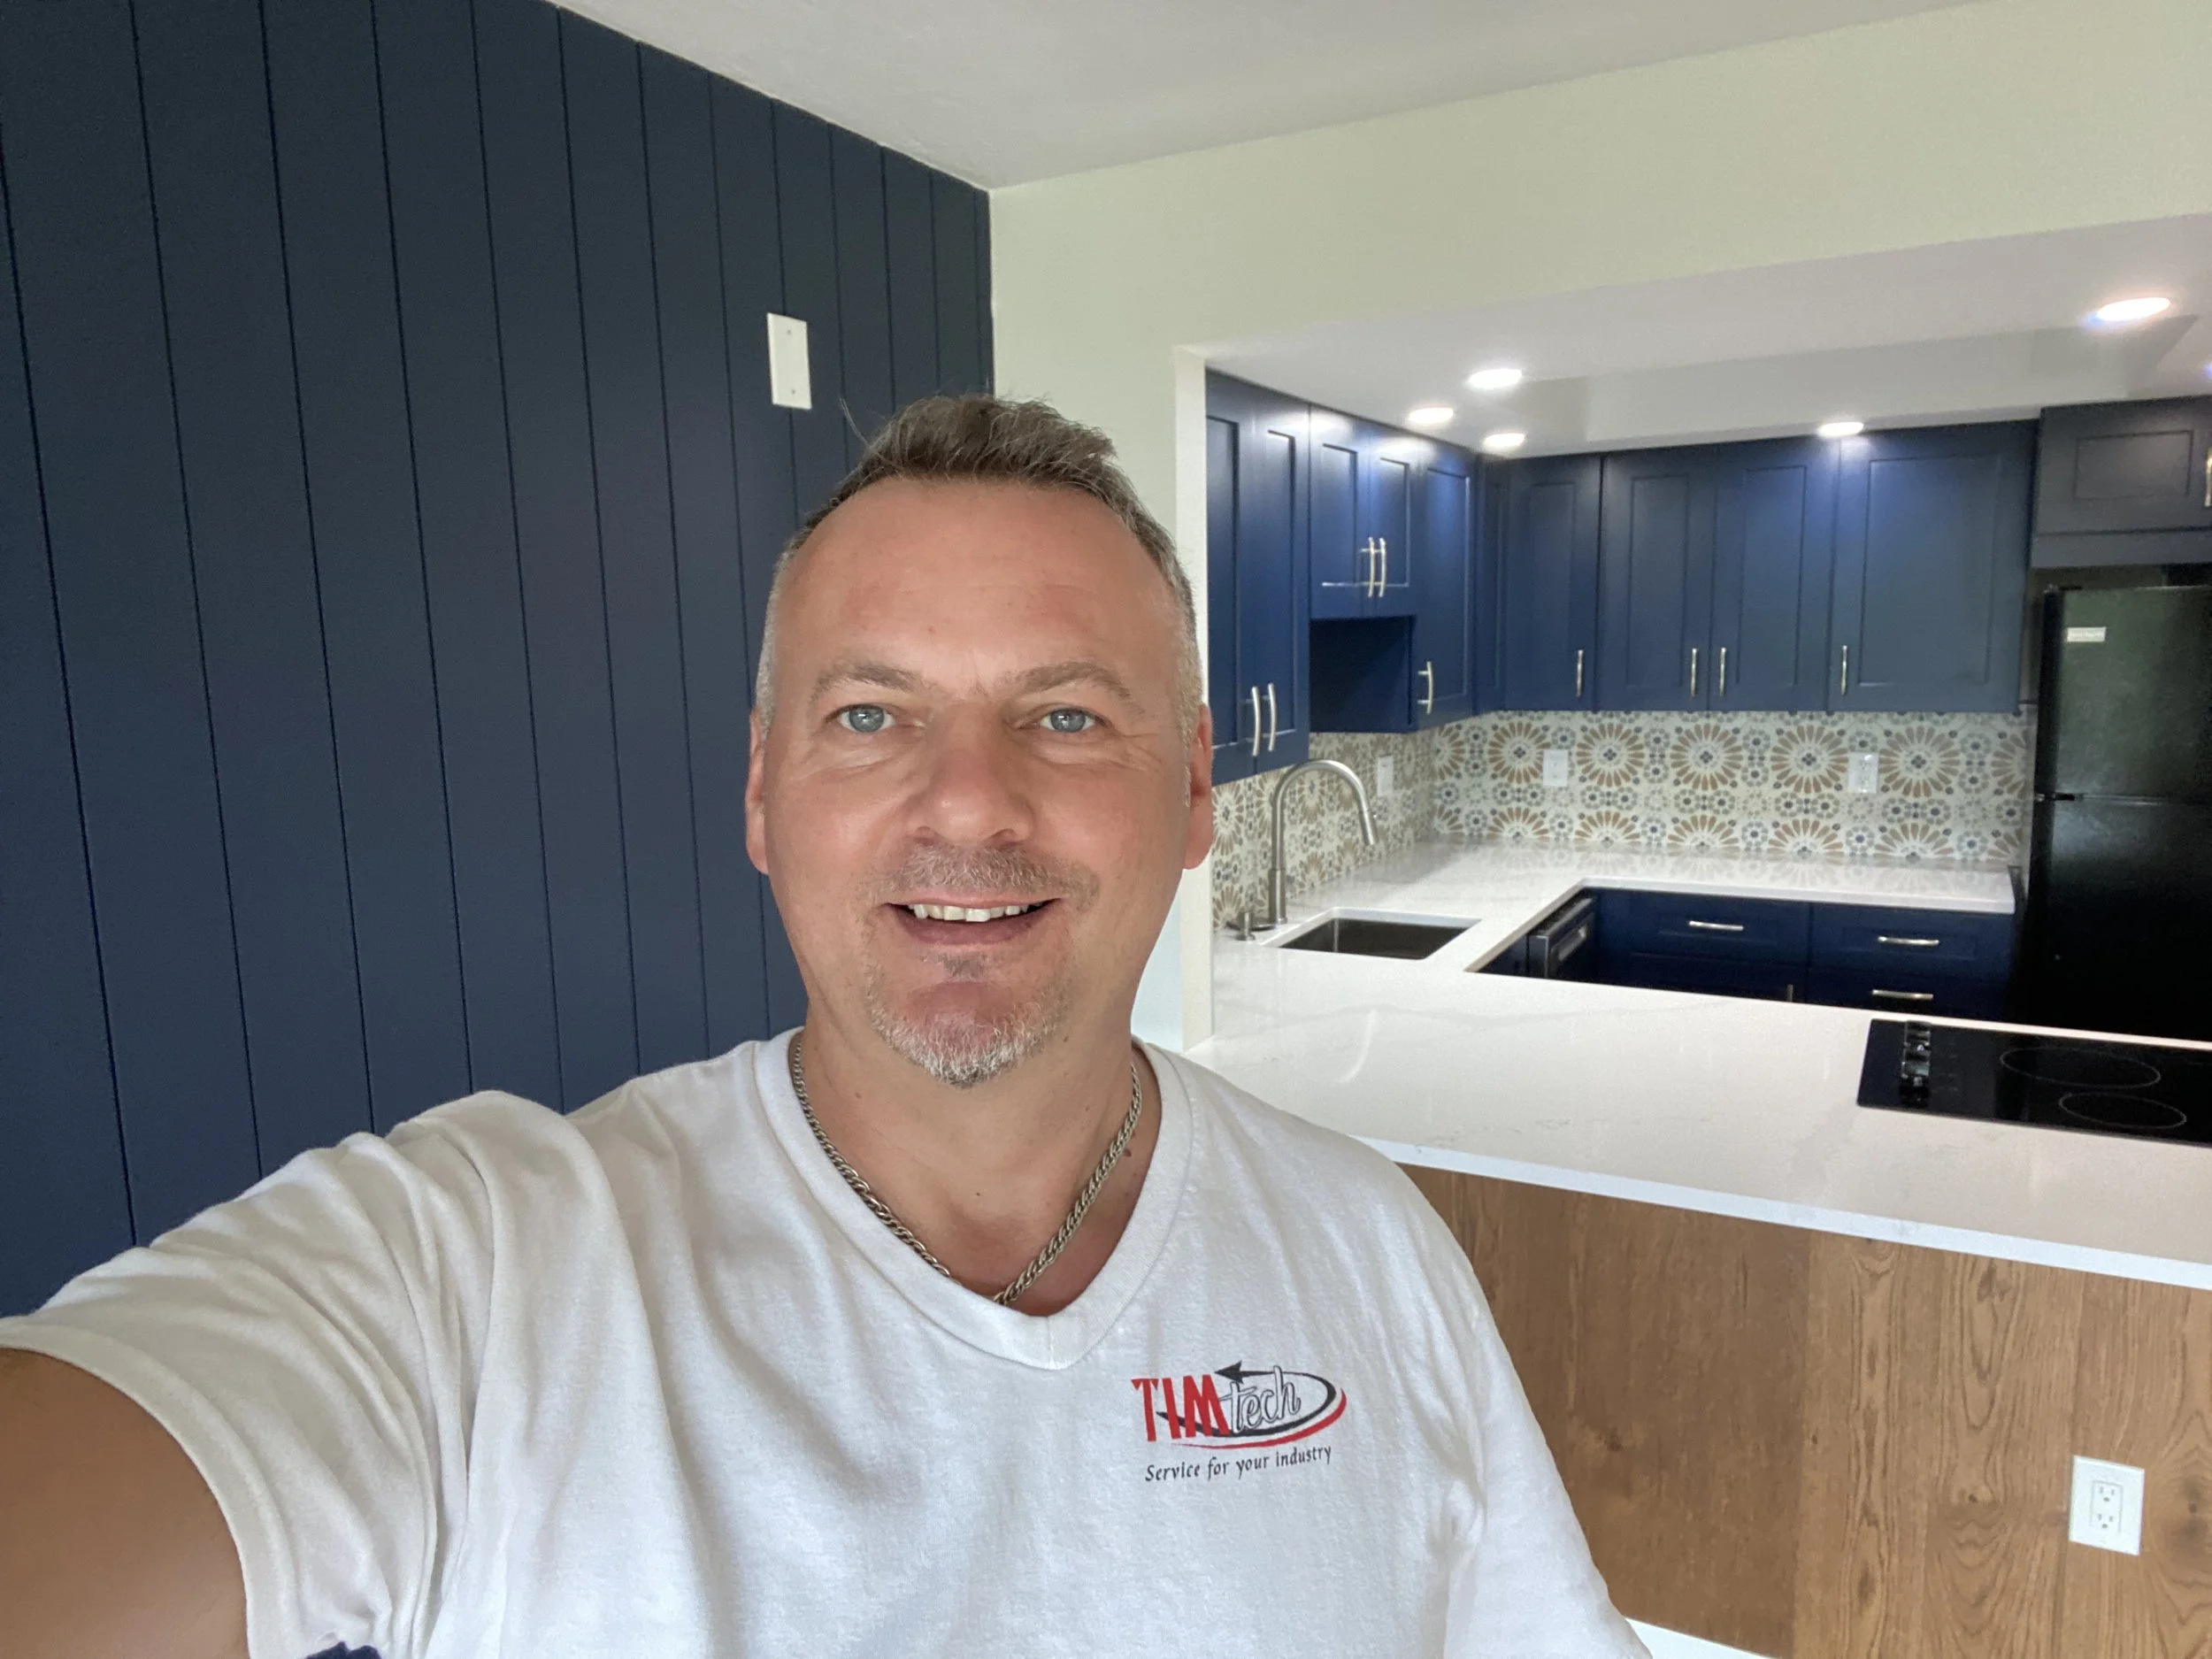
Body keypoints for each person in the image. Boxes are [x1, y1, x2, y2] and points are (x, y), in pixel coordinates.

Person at [0, 395, 1646, 1659]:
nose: (968, 802)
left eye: (1066, 715)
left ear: (1199, 786)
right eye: (872, 714)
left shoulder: (1373, 1252)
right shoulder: (486, 1272)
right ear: (765, 793)